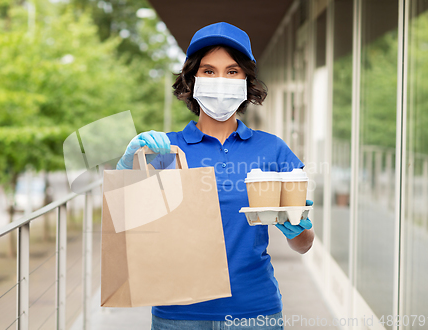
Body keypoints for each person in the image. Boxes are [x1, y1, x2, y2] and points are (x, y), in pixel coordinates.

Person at [116, 22, 314, 330]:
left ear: (246, 79)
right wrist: (128, 168)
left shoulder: (272, 149)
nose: (220, 80)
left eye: (232, 71)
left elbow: (304, 244)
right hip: (178, 316)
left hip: (255, 314)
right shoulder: (166, 150)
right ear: (192, 80)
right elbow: (126, 226)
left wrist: (295, 227)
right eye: (209, 71)